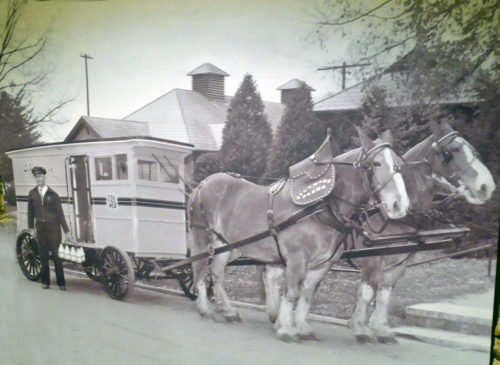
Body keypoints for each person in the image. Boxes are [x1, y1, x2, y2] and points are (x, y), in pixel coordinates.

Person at [28, 166, 75, 290]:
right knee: (43, 256)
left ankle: (61, 283)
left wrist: (67, 231)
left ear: (45, 177)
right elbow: (30, 213)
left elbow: (60, 214)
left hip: (53, 228)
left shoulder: (53, 194)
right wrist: (31, 229)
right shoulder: (32, 193)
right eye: (36, 177)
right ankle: (46, 282)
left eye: (40, 176)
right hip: (41, 228)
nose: (38, 179)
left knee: (56, 256)